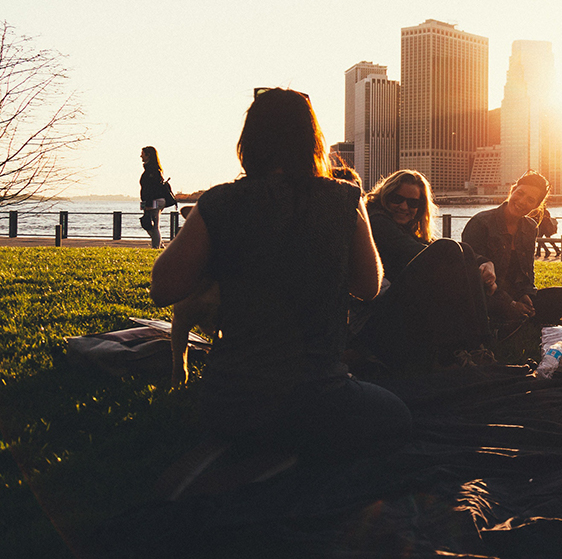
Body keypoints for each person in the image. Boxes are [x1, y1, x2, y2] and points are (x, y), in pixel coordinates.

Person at [149, 87, 410, 469]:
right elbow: (368, 287)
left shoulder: (218, 202)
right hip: (318, 397)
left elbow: (162, 288)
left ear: (249, 142)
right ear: (313, 141)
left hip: (231, 403)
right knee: (397, 417)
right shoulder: (345, 199)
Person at [359, 169, 495, 374]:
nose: (404, 207)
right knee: (448, 249)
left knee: (462, 249)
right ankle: (460, 350)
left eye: (413, 203)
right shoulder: (377, 221)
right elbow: (417, 252)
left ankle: (477, 347)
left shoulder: (406, 228)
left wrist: (485, 263)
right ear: (385, 196)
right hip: (377, 318)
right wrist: (465, 267)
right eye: (397, 199)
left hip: (397, 309)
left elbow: (434, 247)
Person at [462, 171, 562, 331]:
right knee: (478, 301)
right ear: (512, 190)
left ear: (536, 206)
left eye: (530, 200)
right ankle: (512, 320)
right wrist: (510, 304)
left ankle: (515, 319)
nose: (521, 201)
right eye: (520, 193)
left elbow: (527, 271)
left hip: (514, 294)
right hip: (486, 294)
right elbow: (472, 274)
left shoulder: (530, 227)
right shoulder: (481, 223)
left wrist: (526, 295)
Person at [139, 146, 168, 249]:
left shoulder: (153, 171)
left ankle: (156, 247)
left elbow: (153, 189)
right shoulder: (149, 170)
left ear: (148, 155)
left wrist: (148, 204)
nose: (141, 156)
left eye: (143, 154)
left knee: (154, 224)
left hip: (154, 200)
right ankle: (159, 244)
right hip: (146, 200)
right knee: (145, 222)